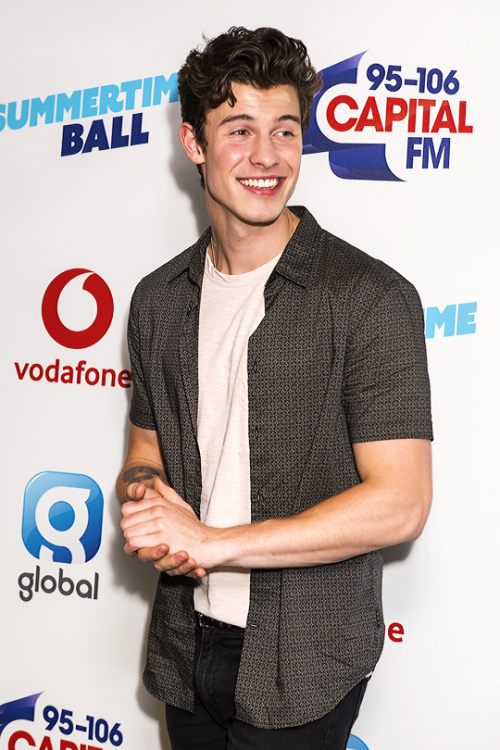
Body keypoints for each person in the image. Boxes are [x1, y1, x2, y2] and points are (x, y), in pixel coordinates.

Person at [117, 26, 433, 750]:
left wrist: (212, 540)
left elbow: (403, 503)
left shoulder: (370, 298)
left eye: (285, 131)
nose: (266, 157)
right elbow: (143, 451)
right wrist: (144, 494)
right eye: (239, 130)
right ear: (194, 144)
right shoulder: (158, 299)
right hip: (183, 652)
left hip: (305, 664)